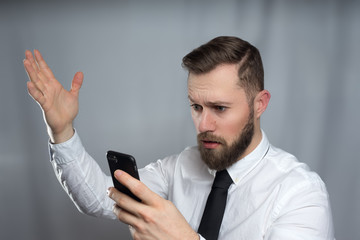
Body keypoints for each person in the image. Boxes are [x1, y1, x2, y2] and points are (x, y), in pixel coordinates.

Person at [23, 36, 334, 239]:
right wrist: (62, 131)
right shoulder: (181, 166)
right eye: (196, 107)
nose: (203, 124)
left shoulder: (300, 194)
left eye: (220, 108)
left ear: (259, 105)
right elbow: (99, 198)